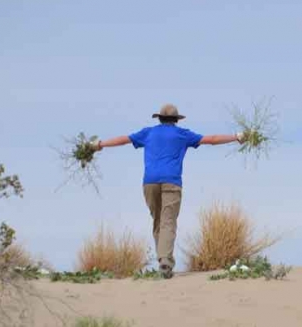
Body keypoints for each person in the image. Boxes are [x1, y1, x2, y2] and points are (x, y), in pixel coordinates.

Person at [92, 103, 243, 279]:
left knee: (158, 221)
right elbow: (212, 139)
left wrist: (100, 144)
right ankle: (165, 260)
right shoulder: (182, 134)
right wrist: (235, 137)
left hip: (149, 182)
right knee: (168, 221)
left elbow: (124, 140)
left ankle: (163, 259)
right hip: (171, 181)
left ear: (160, 118)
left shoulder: (148, 133)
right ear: (176, 120)